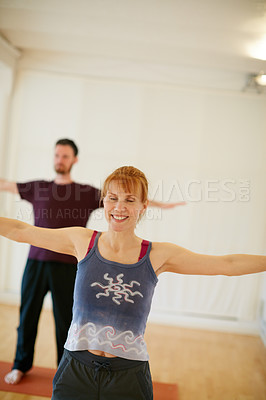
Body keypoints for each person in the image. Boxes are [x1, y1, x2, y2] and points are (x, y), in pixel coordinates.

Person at [0, 165, 265, 400]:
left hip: (128, 377)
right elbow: (22, 231)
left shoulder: (158, 254)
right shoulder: (82, 241)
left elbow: (226, 265)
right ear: (104, 201)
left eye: (129, 200)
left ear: (143, 206)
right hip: (75, 371)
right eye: (113, 198)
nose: (119, 207)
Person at [0, 143, 185, 385]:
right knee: (27, 317)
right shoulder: (39, 187)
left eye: (65, 155)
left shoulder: (85, 192)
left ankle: (64, 367)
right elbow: (6, 185)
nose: (60, 159)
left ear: (74, 159)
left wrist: (164, 205)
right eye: (57, 154)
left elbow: (127, 199)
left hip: (68, 266)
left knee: (66, 320)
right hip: (36, 263)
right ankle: (20, 364)